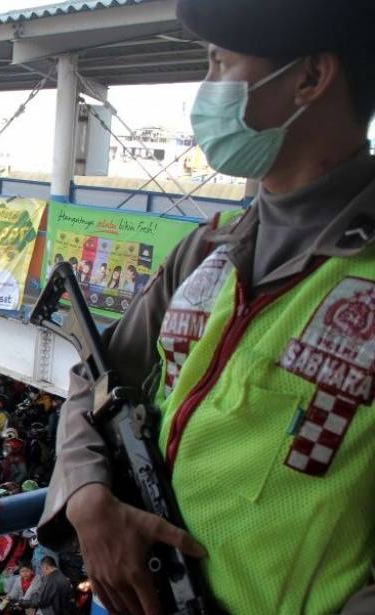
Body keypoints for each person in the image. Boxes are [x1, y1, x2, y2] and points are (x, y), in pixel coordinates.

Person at [39, 2, 375, 614]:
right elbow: (96, 374)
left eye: (220, 63)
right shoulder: (207, 249)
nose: (205, 91)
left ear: (309, 79)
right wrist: (86, 493)